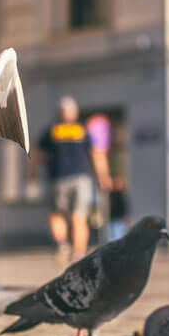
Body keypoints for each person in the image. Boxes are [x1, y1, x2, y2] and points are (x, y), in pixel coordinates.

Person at [35, 97, 111, 266]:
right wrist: (103, 177)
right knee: (80, 218)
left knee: (56, 215)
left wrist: (33, 176)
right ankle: (78, 254)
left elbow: (39, 158)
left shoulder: (50, 132)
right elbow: (96, 155)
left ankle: (62, 244)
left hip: (57, 179)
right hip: (81, 180)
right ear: (74, 113)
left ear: (58, 113)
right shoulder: (82, 130)